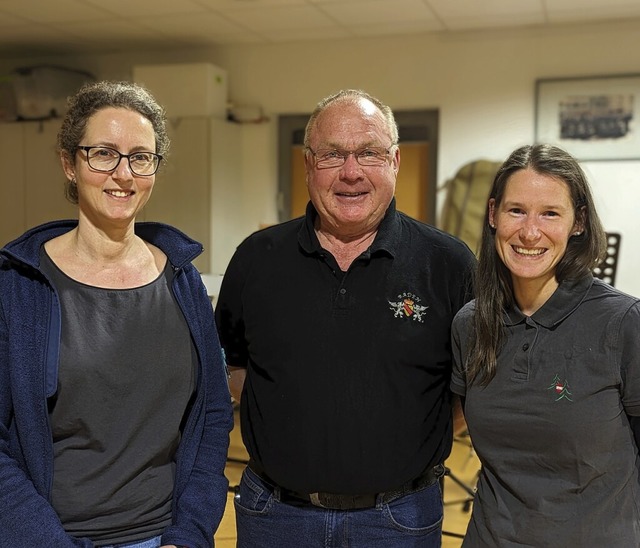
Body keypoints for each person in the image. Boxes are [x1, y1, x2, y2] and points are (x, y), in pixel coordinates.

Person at [215, 89, 476, 547]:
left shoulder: (449, 263)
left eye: (369, 153)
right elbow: (235, 367)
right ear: (308, 164)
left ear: (394, 161)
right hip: (275, 515)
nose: (351, 172)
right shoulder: (257, 258)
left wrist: (401, 438)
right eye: (332, 154)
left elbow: (467, 390)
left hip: (399, 520)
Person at [0, 81, 233, 548]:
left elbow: (211, 416)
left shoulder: (182, 280)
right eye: (103, 153)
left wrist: (187, 535)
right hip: (51, 538)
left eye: (140, 157)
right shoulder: (18, 286)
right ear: (69, 163)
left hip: (165, 538)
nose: (123, 174)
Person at [450, 144, 640, 546]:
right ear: (492, 215)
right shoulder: (470, 325)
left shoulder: (624, 323)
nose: (530, 232)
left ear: (578, 223)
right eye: (516, 210)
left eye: (550, 213)